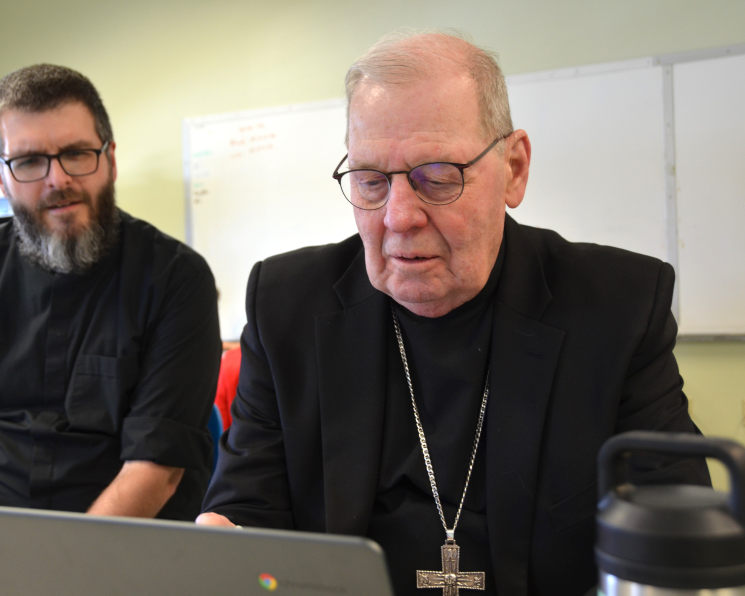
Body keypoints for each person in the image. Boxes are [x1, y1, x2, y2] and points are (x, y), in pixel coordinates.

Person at [198, 31, 710, 595]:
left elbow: (674, 528)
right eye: (370, 181)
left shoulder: (618, 306)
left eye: (437, 177)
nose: (398, 217)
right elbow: (248, 509)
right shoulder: (285, 305)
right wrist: (227, 539)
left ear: (513, 169)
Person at [0, 65, 221, 596]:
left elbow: (155, 469)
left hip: (123, 564)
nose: (58, 179)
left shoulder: (177, 280)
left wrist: (58, 582)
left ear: (109, 159)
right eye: (28, 161)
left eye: (76, 153)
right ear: (0, 175)